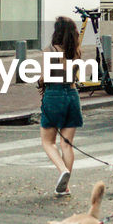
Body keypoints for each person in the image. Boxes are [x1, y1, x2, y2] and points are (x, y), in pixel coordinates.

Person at [39, 15, 83, 195]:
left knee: (48, 142)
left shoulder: (50, 50)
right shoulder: (77, 52)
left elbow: (45, 77)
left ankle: (62, 170)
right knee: (67, 144)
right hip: (73, 96)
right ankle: (65, 186)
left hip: (54, 95)